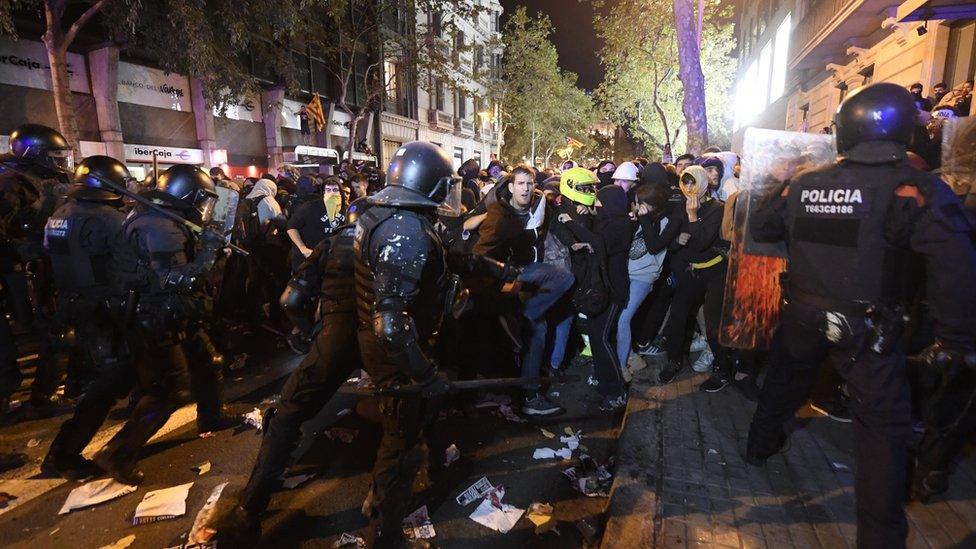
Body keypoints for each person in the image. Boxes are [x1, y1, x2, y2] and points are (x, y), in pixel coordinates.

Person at [745, 82, 976, 548]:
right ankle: (880, 537)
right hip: (868, 326)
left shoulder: (807, 181)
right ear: (906, 132)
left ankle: (758, 447)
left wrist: (791, 186)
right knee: (883, 429)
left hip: (804, 311)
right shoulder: (916, 187)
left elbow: (762, 227)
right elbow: (955, 267)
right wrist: (957, 341)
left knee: (785, 380)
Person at [354, 141, 517, 545]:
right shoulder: (405, 231)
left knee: (406, 432)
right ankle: (383, 530)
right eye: (445, 186)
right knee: (400, 445)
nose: (450, 194)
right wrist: (425, 375)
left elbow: (446, 259)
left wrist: (492, 269)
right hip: (398, 357)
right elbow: (390, 324)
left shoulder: (393, 215)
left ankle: (384, 496)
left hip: (390, 349)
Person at [211, 199, 370, 541]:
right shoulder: (393, 242)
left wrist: (304, 331)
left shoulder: (331, 244)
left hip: (335, 339)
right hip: (380, 340)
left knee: (287, 414)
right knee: (409, 411)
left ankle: (250, 510)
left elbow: (292, 299)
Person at [93, 165, 230, 485]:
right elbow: (180, 281)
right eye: (203, 200)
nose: (205, 208)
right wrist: (210, 249)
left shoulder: (165, 218)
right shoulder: (157, 226)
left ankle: (212, 418)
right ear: (186, 195)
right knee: (170, 391)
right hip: (154, 319)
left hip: (174, 314)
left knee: (210, 363)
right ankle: (118, 452)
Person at [39, 156, 138, 480]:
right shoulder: (110, 220)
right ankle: (64, 454)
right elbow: (129, 267)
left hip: (73, 305)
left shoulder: (60, 214)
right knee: (109, 383)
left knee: (107, 377)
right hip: (104, 309)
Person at [474, 165, 573, 416]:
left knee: (539, 325)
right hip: (509, 277)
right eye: (520, 184)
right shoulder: (499, 216)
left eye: (529, 184)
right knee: (539, 321)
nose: (526, 189)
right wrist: (501, 280)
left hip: (530, 279)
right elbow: (479, 258)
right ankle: (529, 395)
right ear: (511, 187)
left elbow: (553, 226)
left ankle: (530, 394)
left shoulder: (539, 206)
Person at [0, 123, 75, 418]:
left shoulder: (48, 180)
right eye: (53, 156)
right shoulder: (11, 183)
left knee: (61, 331)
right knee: (53, 332)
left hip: (49, 267)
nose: (60, 163)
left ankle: (48, 393)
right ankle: (38, 399)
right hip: (22, 271)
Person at [557, 184, 633, 410]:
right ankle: (604, 383)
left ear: (611, 204)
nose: (595, 205)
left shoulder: (622, 225)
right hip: (600, 287)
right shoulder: (609, 219)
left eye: (599, 202)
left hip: (612, 289)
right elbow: (596, 230)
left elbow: (599, 243)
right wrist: (587, 214)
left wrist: (568, 221)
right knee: (597, 336)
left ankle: (615, 391)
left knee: (601, 339)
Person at [657, 166, 730, 386]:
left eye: (693, 182)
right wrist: (676, 240)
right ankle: (674, 362)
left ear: (703, 183)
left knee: (713, 321)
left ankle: (723, 369)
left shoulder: (717, 207)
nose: (689, 188)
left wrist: (692, 216)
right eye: (685, 182)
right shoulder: (680, 206)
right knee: (678, 314)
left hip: (715, 270)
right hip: (693, 270)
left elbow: (700, 243)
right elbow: (665, 241)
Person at [285, 177, 345, 272]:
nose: (332, 193)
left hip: (333, 262)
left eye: (335, 190)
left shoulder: (346, 209)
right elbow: (291, 227)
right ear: (323, 192)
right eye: (328, 190)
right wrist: (303, 248)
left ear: (341, 192)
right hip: (309, 261)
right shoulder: (310, 207)